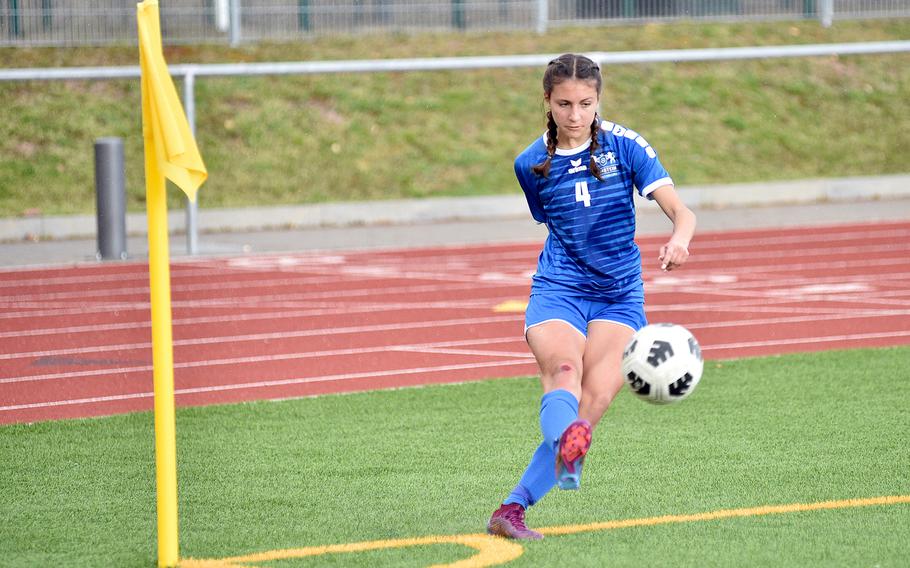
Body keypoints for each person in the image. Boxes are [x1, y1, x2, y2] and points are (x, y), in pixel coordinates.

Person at [486, 53, 696, 540]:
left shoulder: (626, 147)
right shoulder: (530, 164)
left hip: (620, 295)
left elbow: (680, 212)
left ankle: (511, 509)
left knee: (593, 402)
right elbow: (552, 222)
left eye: (586, 103)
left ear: (598, 99)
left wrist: (679, 239)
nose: (576, 115)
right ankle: (566, 443)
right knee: (563, 371)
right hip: (559, 287)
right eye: (564, 104)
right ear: (547, 101)